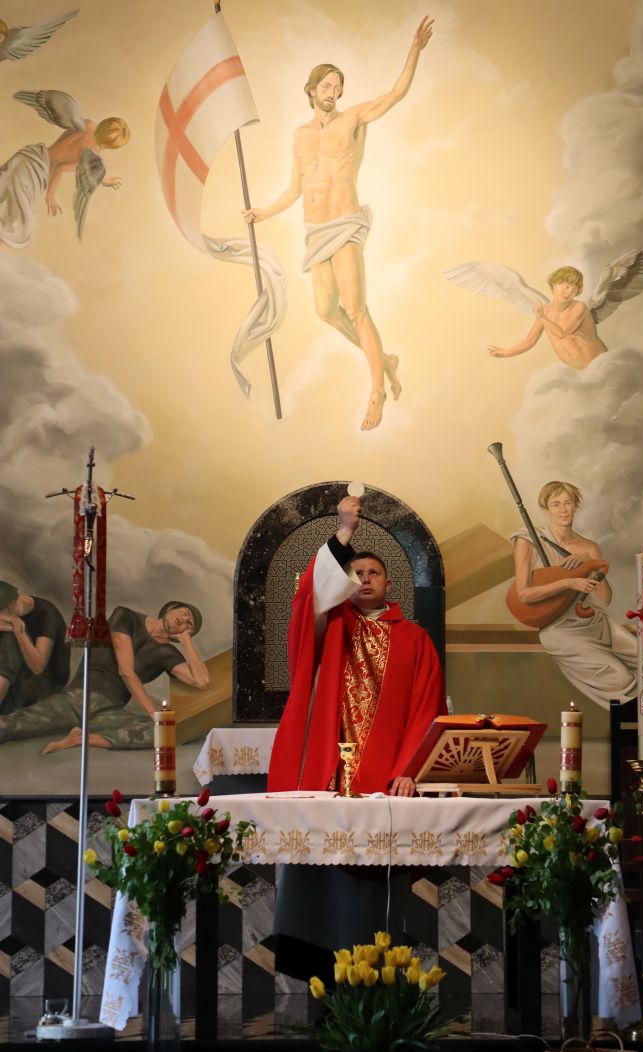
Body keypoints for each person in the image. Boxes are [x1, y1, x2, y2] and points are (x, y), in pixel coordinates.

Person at [268, 494, 446, 980]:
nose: (365, 579)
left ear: (389, 584)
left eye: (374, 573)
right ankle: (316, 972)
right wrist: (344, 531)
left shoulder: (414, 639)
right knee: (315, 876)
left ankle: (373, 976)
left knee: (371, 893)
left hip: (384, 778)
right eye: (356, 573)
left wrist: (408, 771)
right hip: (327, 774)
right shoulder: (330, 625)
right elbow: (310, 592)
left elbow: (426, 710)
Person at [242, 18, 434, 431]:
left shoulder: (354, 119)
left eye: (337, 86)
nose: (332, 91)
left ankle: (377, 390)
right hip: (315, 231)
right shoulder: (300, 135)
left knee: (355, 309)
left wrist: (415, 50)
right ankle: (385, 360)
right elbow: (295, 187)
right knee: (326, 312)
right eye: (326, 85)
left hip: (345, 224)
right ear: (312, 90)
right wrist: (263, 212)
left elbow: (396, 94)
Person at [0, 601, 209, 752]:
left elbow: (201, 681)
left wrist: (186, 640)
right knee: (13, 725)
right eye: (184, 613)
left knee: (165, 734)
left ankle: (81, 739)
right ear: (170, 608)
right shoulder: (126, 617)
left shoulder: (167, 653)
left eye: (189, 623)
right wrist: (154, 714)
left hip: (110, 709)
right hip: (79, 698)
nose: (184, 619)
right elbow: (126, 671)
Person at [511, 481, 637, 707]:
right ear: (546, 510)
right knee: (620, 675)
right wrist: (567, 582)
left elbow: (604, 599)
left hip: (594, 623)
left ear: (576, 506)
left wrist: (589, 565)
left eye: (568, 503)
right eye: (556, 504)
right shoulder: (528, 540)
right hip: (559, 629)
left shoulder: (588, 547)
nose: (563, 510)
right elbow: (524, 595)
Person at [0, 90, 129, 248]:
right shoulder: (89, 152)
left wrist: (100, 179)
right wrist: (50, 196)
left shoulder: (87, 124)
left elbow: (85, 165)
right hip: (35, 171)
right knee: (18, 226)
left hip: (29, 156)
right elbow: (59, 167)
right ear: (110, 146)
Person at [488, 266, 607, 371]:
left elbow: (561, 333)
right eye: (567, 286)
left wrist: (542, 317)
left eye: (574, 290)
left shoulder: (579, 307)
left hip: (602, 365)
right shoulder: (546, 311)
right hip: (583, 373)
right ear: (555, 284)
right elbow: (530, 341)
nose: (570, 292)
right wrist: (505, 353)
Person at [0, 581, 70, 714]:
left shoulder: (47, 614)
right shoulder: (11, 612)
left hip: (44, 683)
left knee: (11, 639)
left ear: (11, 605)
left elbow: (38, 667)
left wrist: (20, 632)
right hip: (18, 673)